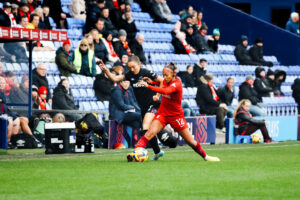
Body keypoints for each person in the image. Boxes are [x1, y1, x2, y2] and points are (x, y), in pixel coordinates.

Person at [128, 62, 220, 162]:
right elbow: (162, 84)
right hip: (162, 113)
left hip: (176, 116)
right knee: (150, 132)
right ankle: (135, 153)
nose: (164, 77)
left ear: (173, 74)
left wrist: (148, 86)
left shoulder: (177, 84)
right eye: (163, 75)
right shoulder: (167, 81)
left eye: (166, 75)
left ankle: (205, 157)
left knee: (190, 141)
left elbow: (166, 91)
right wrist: (153, 82)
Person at [100, 56, 164, 160]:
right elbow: (115, 78)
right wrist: (106, 70)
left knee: (145, 127)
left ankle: (138, 151)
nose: (132, 70)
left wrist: (157, 95)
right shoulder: (129, 75)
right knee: (146, 130)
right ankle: (157, 152)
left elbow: (162, 81)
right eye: (130, 68)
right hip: (142, 107)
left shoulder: (146, 72)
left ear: (139, 64)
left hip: (152, 104)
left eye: (133, 67)